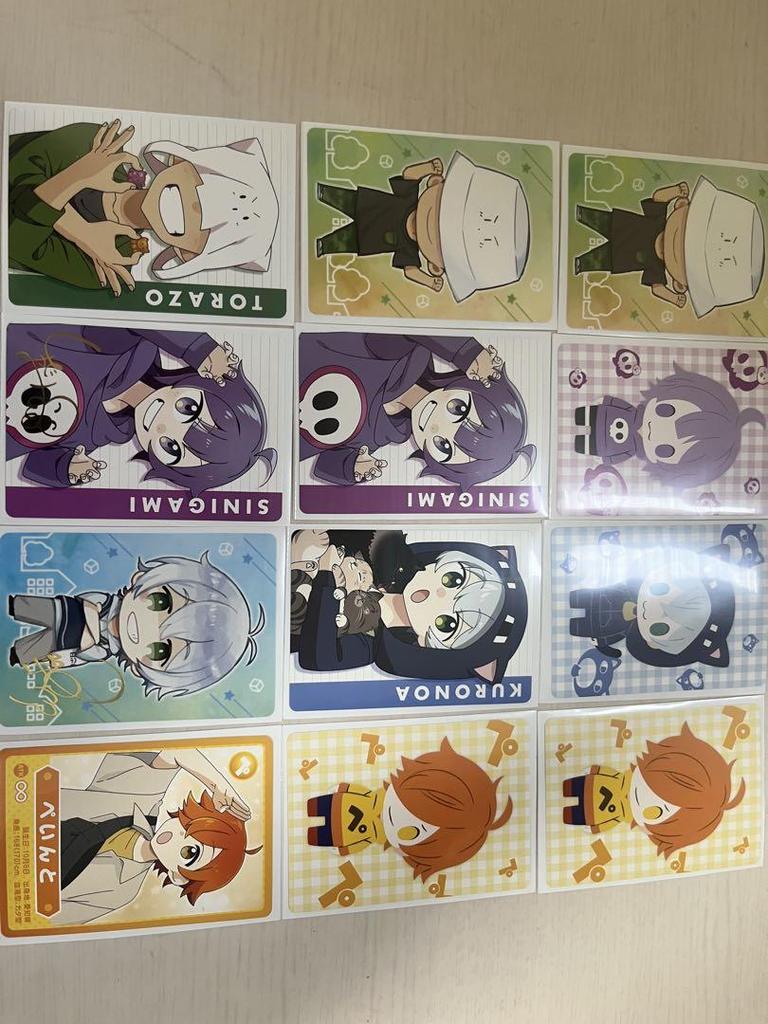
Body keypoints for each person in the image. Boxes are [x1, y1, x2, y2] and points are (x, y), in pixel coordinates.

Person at [8, 118, 279, 296]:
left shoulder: (111, 263)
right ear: (177, 161)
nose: (193, 207)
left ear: (187, 254)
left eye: (204, 227)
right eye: (200, 186)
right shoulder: (101, 146)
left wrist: (75, 184)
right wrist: (80, 230)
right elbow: (13, 176)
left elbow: (14, 240)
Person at [6, 322, 276, 494]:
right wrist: (199, 348)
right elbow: (134, 317)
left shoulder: (103, 434)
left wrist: (64, 468)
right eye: (187, 408)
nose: (162, 425)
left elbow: (34, 464)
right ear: (203, 383)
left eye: (170, 447)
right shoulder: (128, 348)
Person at [8, 552, 264, 699]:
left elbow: (83, 655)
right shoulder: (106, 603)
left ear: (142, 671)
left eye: (160, 651)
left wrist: (68, 658)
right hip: (62, 610)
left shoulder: (104, 649)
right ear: (141, 577)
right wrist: (91, 621)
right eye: (160, 601)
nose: (146, 629)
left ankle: (16, 654)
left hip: (64, 641)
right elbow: (88, 601)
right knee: (26, 607)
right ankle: (13, 606)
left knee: (30, 649)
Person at [291, 529, 528, 685]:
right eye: (452, 579)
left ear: (428, 645)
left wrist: (325, 576)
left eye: (447, 624)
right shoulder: (381, 552)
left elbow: (318, 658)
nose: (437, 596)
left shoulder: (370, 644)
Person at [299, 332, 535, 487]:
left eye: (442, 446)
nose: (436, 425)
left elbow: (324, 464)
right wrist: (466, 352)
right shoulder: (404, 354)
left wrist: (350, 468)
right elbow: (409, 324)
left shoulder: (387, 433)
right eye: (458, 409)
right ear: (469, 385)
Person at [57, 745, 259, 925]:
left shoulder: (119, 892)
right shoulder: (141, 797)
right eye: (187, 824)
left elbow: (47, 919)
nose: (178, 836)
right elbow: (178, 751)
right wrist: (217, 786)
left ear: (178, 876)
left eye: (190, 852)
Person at [315, 151, 530, 302]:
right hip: (368, 204)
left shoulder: (408, 251)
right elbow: (409, 175)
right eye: (441, 210)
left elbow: (410, 271)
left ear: (436, 267)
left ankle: (323, 246)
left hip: (366, 240)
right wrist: (427, 167)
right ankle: (323, 193)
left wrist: (428, 282)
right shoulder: (408, 198)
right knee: (344, 199)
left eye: (442, 237)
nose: (431, 225)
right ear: (435, 182)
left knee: (344, 241)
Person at [306, 737, 513, 880]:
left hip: (339, 836)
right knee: (315, 808)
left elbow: (345, 847)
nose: (402, 819)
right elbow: (344, 790)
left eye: (417, 831)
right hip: (337, 803)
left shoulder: (366, 839)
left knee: (317, 834)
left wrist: (343, 846)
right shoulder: (364, 795)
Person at [574, 177, 764, 317]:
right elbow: (658, 197)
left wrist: (673, 299)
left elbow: (657, 289)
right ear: (681, 205)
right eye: (686, 231)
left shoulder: (656, 269)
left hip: (618, 258)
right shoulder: (657, 220)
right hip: (619, 225)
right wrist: (675, 190)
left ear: (680, 285)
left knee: (596, 260)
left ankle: (580, 264)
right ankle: (580, 214)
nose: (677, 246)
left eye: (687, 257)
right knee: (596, 218)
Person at [562, 723, 746, 858]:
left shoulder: (617, 818)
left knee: (570, 815)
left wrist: (594, 826)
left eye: (660, 811)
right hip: (590, 783)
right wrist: (595, 771)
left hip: (593, 815)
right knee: (569, 787)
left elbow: (600, 824)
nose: (649, 798)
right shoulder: (617, 777)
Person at [573, 364, 764, 490]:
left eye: (666, 450)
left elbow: (606, 457)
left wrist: (601, 455)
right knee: (583, 416)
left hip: (597, 446)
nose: (653, 430)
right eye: (666, 411)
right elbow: (607, 403)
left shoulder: (623, 451)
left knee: (585, 444)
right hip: (597, 414)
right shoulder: (624, 410)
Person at [569, 543, 735, 670]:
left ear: (652, 644)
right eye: (659, 589)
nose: (647, 611)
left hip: (595, 627)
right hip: (591, 595)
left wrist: (602, 645)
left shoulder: (621, 631)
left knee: (579, 625)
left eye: (659, 629)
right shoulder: (622, 585)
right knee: (578, 598)